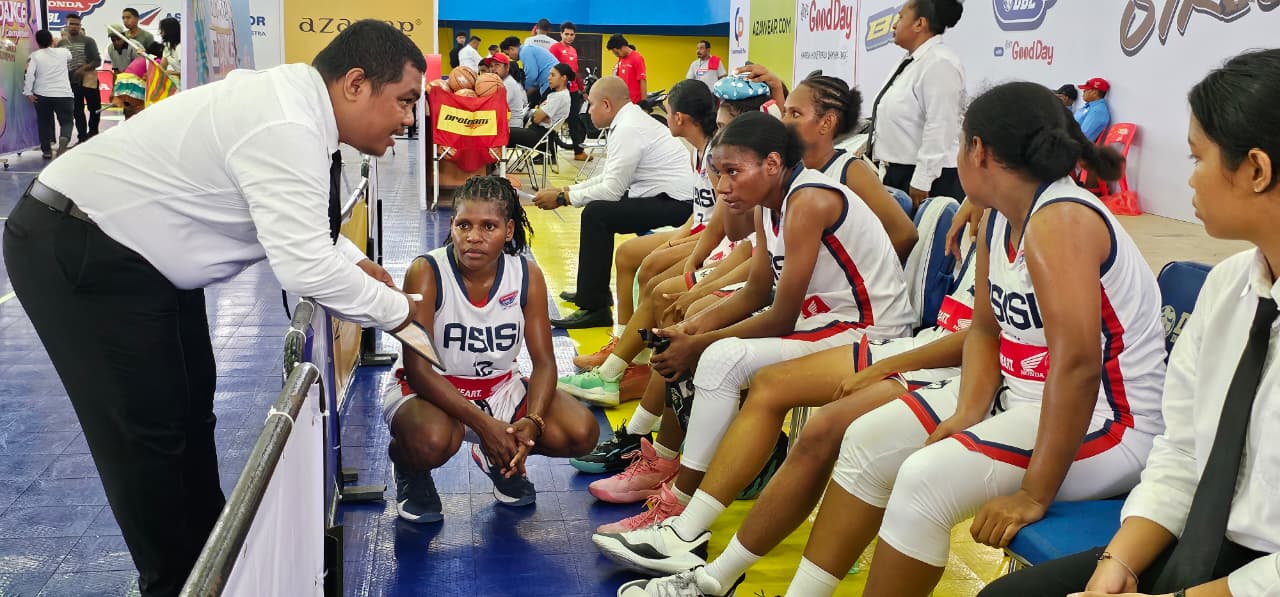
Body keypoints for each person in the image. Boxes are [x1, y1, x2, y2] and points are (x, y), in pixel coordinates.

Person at [2, 21, 426, 597]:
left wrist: (352, 261)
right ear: (356, 83)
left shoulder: (298, 111)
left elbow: (290, 215)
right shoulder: (287, 123)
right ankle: (176, 583)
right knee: (148, 437)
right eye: (403, 101)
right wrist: (401, 313)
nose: (408, 119)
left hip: (139, 254)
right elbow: (304, 267)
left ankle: (215, 568)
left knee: (190, 413)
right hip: (84, 246)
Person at [980, 48, 1280, 597]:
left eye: (1197, 159)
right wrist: (1119, 565)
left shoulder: (1065, 220)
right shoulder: (1231, 286)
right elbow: (1184, 449)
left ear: (1256, 170)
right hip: (1210, 544)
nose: (1190, 181)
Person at [588, 110, 915, 539]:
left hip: (871, 333)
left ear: (773, 164)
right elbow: (756, 291)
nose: (723, 186)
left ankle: (680, 512)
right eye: (718, 173)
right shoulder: (772, 204)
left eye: (733, 172)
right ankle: (667, 473)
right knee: (689, 337)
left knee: (718, 356)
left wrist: (700, 341)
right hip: (828, 323)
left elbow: (780, 313)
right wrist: (692, 332)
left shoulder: (810, 200)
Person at [383, 176, 598, 520]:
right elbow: (419, 370)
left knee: (581, 433)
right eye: (464, 224)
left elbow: (544, 363)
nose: (473, 237)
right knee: (432, 440)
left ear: (508, 230)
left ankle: (494, 456)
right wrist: (486, 427)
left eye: (489, 226)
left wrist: (532, 422)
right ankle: (410, 469)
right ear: (452, 224)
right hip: (429, 391)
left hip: (498, 388)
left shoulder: (527, 275)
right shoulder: (426, 271)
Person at [557, 79, 729, 404]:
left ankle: (640, 363)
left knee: (654, 277)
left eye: (668, 111)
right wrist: (676, 239)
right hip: (697, 227)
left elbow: (722, 220)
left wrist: (685, 245)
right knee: (627, 255)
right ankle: (625, 344)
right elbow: (702, 209)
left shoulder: (718, 154)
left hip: (714, 238)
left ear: (679, 117)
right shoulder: (699, 150)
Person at [530, 77, 695, 329]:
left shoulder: (628, 127)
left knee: (597, 214)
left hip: (677, 205)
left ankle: (595, 307)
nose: (588, 111)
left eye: (592, 104)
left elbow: (611, 190)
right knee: (597, 211)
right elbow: (608, 177)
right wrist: (565, 190)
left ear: (607, 105)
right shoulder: (627, 121)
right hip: (661, 196)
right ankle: (592, 291)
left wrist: (563, 198)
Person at [865, 0, 966, 208]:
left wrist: (922, 180)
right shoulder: (912, 60)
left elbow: (940, 126)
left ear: (920, 24)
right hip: (899, 173)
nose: (894, 25)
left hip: (927, 181)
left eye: (901, 18)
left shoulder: (940, 63)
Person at [24, 29, 75, 159]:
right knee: (66, 121)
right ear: (52, 39)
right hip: (64, 94)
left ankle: (46, 150)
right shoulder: (64, 52)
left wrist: (28, 92)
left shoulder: (35, 55)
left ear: (37, 42)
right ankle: (64, 138)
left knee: (44, 122)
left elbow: (30, 75)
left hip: (42, 94)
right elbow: (70, 58)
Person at [57, 12, 101, 144]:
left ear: (80, 25)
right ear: (66, 25)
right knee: (77, 111)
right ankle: (82, 137)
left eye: (77, 24)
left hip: (89, 81)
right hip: (72, 83)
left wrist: (84, 68)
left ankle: (93, 134)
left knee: (95, 109)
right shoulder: (61, 44)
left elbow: (97, 61)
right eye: (72, 24)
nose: (74, 27)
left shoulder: (88, 41)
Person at [507, 63, 572, 148]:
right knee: (502, 134)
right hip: (540, 134)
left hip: (538, 136)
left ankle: (494, 160)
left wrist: (537, 114)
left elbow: (537, 119)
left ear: (563, 78)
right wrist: (539, 114)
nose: (549, 78)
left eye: (553, 75)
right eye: (549, 75)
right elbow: (539, 116)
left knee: (501, 133)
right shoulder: (558, 94)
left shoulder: (559, 96)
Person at [549, 21, 587, 161]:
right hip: (560, 92)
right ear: (561, 34)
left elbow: (576, 72)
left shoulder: (573, 50)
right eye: (566, 34)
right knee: (553, 121)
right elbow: (552, 71)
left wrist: (582, 90)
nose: (569, 37)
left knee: (574, 121)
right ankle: (550, 154)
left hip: (573, 92)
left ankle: (578, 152)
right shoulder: (555, 48)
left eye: (572, 34)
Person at [501, 35, 558, 104]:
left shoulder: (525, 52)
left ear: (511, 49)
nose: (509, 57)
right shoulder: (528, 50)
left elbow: (531, 75)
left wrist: (523, 92)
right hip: (553, 82)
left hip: (551, 83)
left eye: (508, 54)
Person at [482, 53, 527, 129]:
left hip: (512, 128)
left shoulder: (508, 84)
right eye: (491, 66)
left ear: (507, 68)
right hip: (503, 126)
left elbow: (494, 109)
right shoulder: (499, 83)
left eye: (497, 65)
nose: (493, 69)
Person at [608, 34, 647, 104]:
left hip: (635, 102)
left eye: (616, 52)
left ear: (622, 47)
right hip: (624, 101)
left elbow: (642, 80)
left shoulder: (637, 58)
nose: (617, 55)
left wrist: (644, 102)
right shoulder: (621, 58)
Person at [1076, 77, 1112, 142]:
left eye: (1086, 89)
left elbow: (1082, 135)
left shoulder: (1097, 111)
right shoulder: (1088, 107)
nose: (1083, 91)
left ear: (1095, 92)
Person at [158, 17, 180, 83]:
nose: (160, 33)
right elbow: (162, 67)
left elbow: (188, 72)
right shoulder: (168, 47)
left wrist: (173, 73)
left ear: (169, 30)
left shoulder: (180, 47)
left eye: (162, 30)